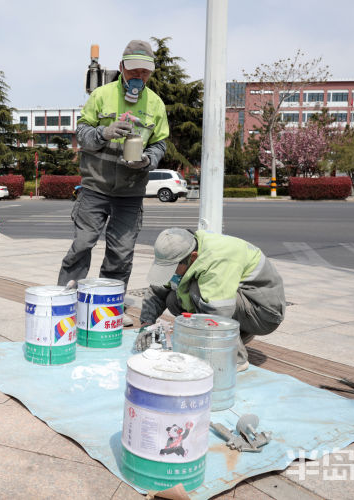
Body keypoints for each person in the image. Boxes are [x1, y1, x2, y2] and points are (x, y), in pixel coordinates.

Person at [57, 39, 170, 312]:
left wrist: (147, 160)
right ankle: (65, 302)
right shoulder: (101, 95)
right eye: (133, 71)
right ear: (121, 67)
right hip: (95, 187)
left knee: (120, 254)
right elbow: (82, 135)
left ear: (151, 73)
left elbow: (160, 143)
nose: (138, 77)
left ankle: (106, 309)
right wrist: (102, 133)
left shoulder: (155, 104)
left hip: (129, 193)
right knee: (83, 244)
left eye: (145, 72)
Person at [139, 228, 286, 371]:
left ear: (193, 257)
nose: (170, 273)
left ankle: (235, 359)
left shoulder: (218, 259)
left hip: (264, 313)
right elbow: (158, 290)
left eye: (173, 268)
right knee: (173, 299)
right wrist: (146, 324)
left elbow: (218, 313)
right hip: (242, 306)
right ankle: (237, 335)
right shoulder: (187, 248)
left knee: (197, 290)